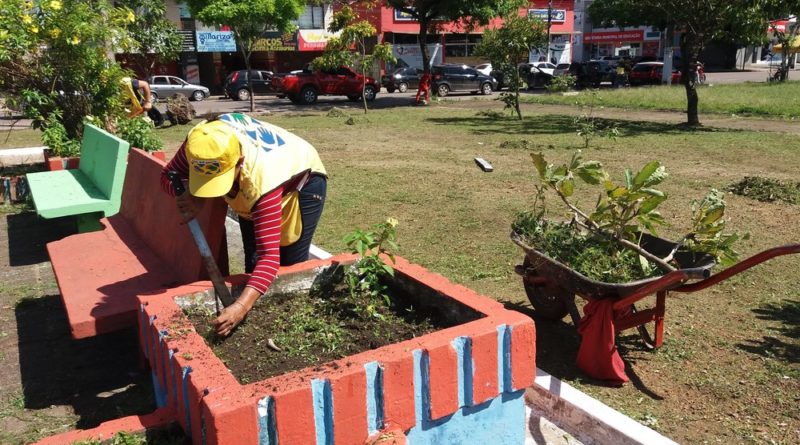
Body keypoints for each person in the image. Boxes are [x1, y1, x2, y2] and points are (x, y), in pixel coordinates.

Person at [160, 113, 327, 336]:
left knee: (289, 267)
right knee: (252, 260)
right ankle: (256, 324)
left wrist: (241, 306)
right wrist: (189, 192)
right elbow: (166, 176)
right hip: (253, 185)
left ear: (239, 163)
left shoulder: (260, 181)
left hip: (303, 178)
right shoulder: (199, 144)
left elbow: (270, 258)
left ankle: (291, 330)